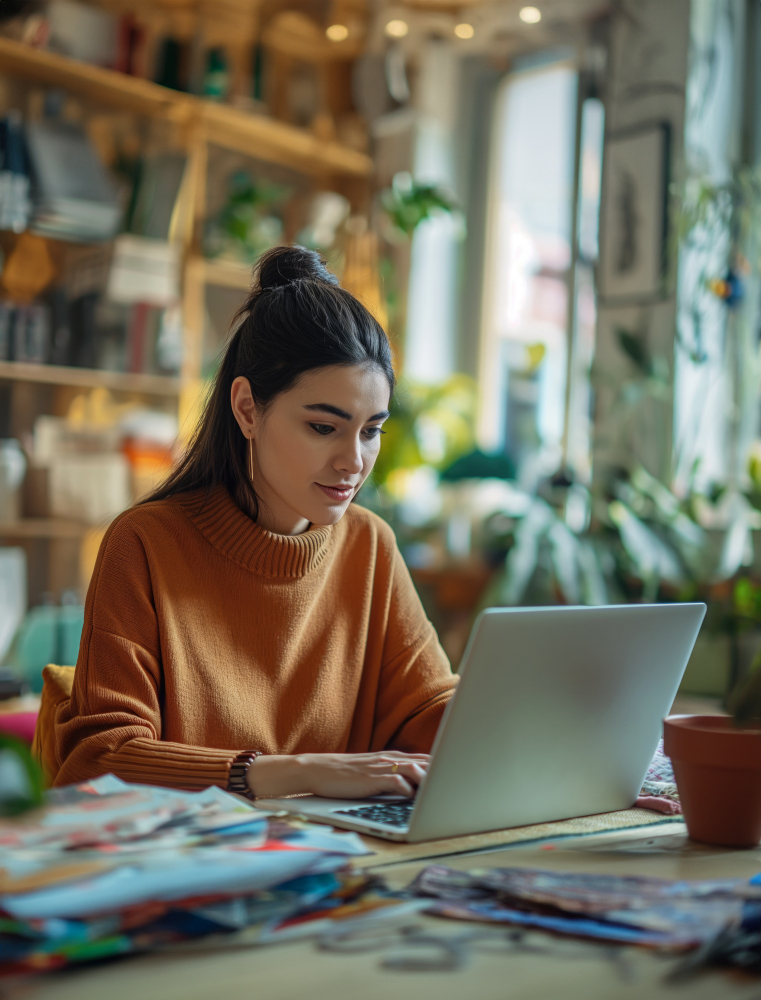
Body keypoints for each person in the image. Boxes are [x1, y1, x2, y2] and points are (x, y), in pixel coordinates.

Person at [54, 246, 457, 800]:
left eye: (370, 431)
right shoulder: (145, 544)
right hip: (198, 865)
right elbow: (99, 760)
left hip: (342, 862)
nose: (353, 461)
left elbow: (429, 709)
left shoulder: (370, 545)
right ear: (247, 408)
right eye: (323, 427)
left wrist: (552, 739)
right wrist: (299, 772)